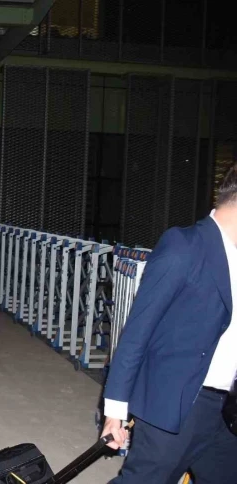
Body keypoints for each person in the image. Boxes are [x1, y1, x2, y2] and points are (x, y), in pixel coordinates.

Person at [101, 164, 237, 483]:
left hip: (225, 412)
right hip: (175, 406)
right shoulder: (185, 245)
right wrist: (115, 411)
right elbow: (137, 333)